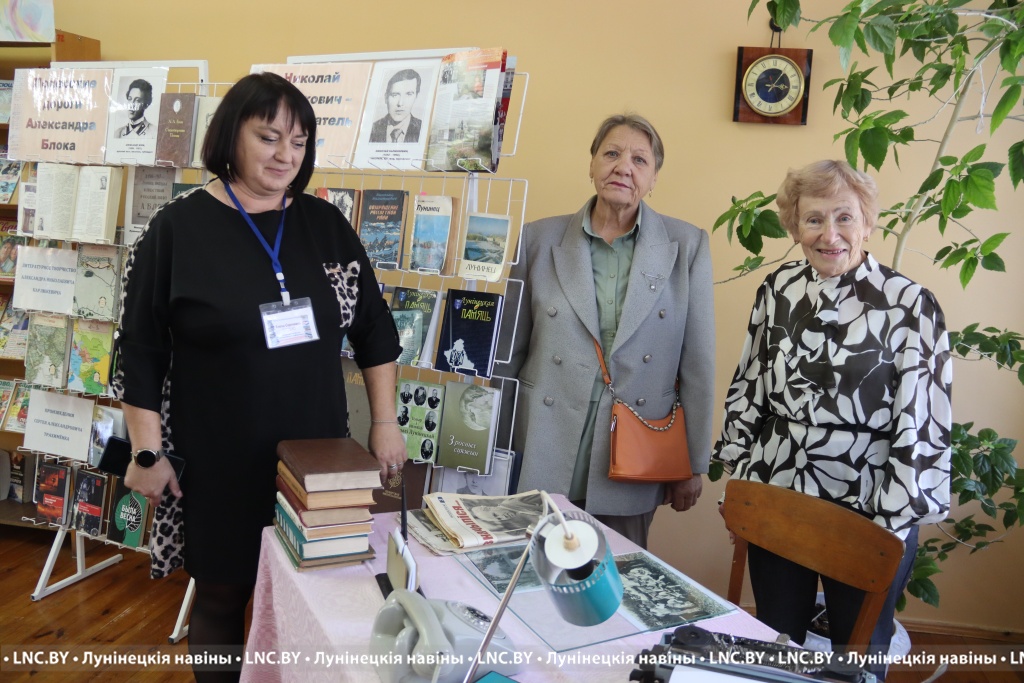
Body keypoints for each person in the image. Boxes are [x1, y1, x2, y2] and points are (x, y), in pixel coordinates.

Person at [114, 72, 404, 682]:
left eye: (298, 142)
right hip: (218, 458)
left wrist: (385, 423)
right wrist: (146, 452)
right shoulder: (176, 229)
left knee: (315, 591)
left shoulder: (326, 224)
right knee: (221, 596)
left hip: (315, 461)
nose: (285, 156)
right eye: (268, 137)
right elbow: (139, 352)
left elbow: (375, 331)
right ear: (231, 136)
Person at [712, 160, 952, 677]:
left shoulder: (910, 305)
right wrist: (740, 484)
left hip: (870, 504)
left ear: (866, 223)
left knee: (857, 655)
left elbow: (921, 421)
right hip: (780, 488)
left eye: (844, 217)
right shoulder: (777, 290)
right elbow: (751, 384)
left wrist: (895, 522)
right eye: (814, 219)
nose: (830, 234)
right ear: (794, 227)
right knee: (777, 644)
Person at [494, 114, 715, 549]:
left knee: (619, 572)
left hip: (634, 448)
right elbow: (508, 354)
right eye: (611, 153)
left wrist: (692, 464)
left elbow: (698, 365)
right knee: (530, 564)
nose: (623, 167)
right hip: (544, 437)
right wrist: (493, 445)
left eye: (639, 160)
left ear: (653, 178)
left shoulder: (687, 246)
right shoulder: (538, 239)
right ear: (592, 164)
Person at [369, 69, 422, 143]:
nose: (400, 103)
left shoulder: (423, 128)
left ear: (416, 97)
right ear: (386, 98)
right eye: (394, 95)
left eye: (408, 94)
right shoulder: (371, 129)